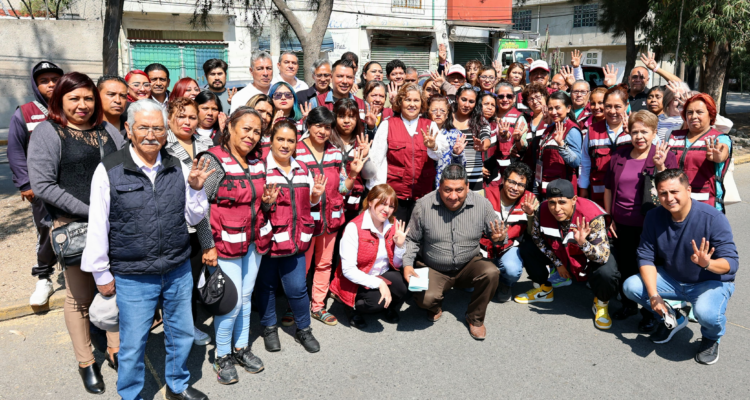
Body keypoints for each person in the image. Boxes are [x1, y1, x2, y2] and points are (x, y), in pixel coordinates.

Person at [81, 99, 211, 400]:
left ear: (167, 132)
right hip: (133, 273)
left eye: (158, 128)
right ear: (128, 129)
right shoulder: (110, 169)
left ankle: (177, 386)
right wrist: (101, 272)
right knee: (133, 342)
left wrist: (194, 188)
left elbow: (193, 217)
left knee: (180, 334)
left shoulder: (176, 165)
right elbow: (98, 224)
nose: (152, 134)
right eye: (144, 127)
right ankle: (130, 393)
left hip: (177, 268)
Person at [28, 72, 125, 394]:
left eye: (87, 98)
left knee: (112, 289)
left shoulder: (106, 130)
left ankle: (115, 347)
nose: (82, 105)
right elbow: (43, 185)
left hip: (113, 224)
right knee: (80, 298)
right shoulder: (49, 131)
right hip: (75, 226)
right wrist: (93, 211)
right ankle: (86, 362)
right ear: (60, 100)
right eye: (74, 98)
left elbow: (126, 164)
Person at [623, 169, 739, 365]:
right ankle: (671, 317)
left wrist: (708, 263)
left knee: (707, 314)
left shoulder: (713, 218)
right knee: (631, 287)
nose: (669, 198)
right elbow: (645, 257)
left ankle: (711, 337)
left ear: (688, 190)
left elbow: (732, 264)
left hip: (709, 281)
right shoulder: (653, 216)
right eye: (663, 193)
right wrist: (654, 296)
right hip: (673, 279)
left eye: (674, 191)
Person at [195, 107, 275, 384]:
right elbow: (198, 207)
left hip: (253, 243)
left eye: (257, 131)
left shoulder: (257, 160)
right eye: (246, 129)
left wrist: (267, 202)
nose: (251, 136)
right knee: (229, 304)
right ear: (229, 127)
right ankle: (222, 355)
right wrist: (207, 245)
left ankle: (241, 348)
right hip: (224, 244)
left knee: (245, 298)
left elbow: (255, 200)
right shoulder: (212, 161)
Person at [403, 164, 505, 340]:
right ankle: (434, 306)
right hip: (433, 266)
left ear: (467, 187)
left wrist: (499, 238)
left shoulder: (482, 203)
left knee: (492, 272)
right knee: (424, 299)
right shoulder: (423, 205)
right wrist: (407, 265)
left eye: (459, 190)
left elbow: (497, 233)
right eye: (447, 190)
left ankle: (475, 318)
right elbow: (411, 239)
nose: (453, 196)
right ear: (439, 187)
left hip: (469, 263)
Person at [294, 106, 369, 327]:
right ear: (308, 126)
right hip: (305, 221)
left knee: (324, 264)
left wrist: (353, 174)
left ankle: (318, 306)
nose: (323, 131)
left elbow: (344, 189)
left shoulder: (336, 152)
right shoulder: (296, 151)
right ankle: (294, 307)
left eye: (327, 127)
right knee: (302, 267)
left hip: (331, 219)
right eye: (318, 125)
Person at [255, 120, 326, 354]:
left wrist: (315, 197)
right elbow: (255, 208)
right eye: (280, 139)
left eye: (290, 141)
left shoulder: (303, 168)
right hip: (269, 241)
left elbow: (306, 206)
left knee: (297, 288)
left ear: (297, 143)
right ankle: (269, 328)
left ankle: (303, 329)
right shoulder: (261, 169)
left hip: (296, 242)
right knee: (266, 287)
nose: (285, 145)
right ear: (271, 141)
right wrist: (266, 205)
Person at [604, 111, 677, 328]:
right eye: (635, 131)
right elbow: (608, 189)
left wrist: (661, 167)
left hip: (650, 226)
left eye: (644, 131)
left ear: (654, 132)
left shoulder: (663, 155)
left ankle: (650, 314)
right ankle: (628, 305)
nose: (639, 136)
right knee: (625, 266)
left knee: (647, 268)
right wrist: (609, 217)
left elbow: (671, 190)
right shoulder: (619, 155)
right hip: (621, 224)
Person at [514, 179, 619, 331]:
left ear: (574, 199)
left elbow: (602, 256)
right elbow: (537, 238)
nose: (557, 208)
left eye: (562, 202)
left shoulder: (592, 215)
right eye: (552, 202)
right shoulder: (543, 209)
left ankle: (601, 303)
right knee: (527, 247)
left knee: (607, 272)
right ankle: (544, 289)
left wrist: (584, 244)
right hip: (562, 254)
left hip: (587, 258)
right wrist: (558, 264)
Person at [8, 60, 63, 306]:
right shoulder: (26, 112)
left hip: (72, 183)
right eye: (44, 81)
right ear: (36, 84)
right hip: (42, 186)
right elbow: (15, 150)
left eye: (55, 79)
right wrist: (25, 183)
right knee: (46, 230)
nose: (51, 84)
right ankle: (44, 277)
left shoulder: (72, 105)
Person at [162, 97, 216, 347]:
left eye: (192, 117)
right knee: (179, 285)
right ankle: (183, 328)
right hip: (174, 225)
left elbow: (208, 190)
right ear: (169, 118)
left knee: (195, 281)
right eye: (181, 116)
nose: (187, 121)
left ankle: (189, 323)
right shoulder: (163, 146)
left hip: (202, 222)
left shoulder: (206, 143)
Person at [330, 184, 409, 329]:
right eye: (383, 203)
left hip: (381, 273)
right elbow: (348, 270)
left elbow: (396, 265)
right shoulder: (353, 228)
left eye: (391, 206)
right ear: (370, 202)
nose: (387, 209)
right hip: (357, 279)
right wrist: (379, 284)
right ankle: (351, 308)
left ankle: (387, 305)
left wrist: (399, 246)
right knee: (374, 302)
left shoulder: (394, 225)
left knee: (402, 286)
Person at [369, 82, 448, 225]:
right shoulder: (388, 125)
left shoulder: (430, 125)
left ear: (422, 103)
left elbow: (440, 153)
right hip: (394, 199)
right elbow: (376, 162)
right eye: (408, 100)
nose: (412, 104)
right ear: (400, 102)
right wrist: (379, 195)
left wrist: (433, 146)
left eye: (416, 100)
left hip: (424, 198)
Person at [480, 162, 535, 302]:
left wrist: (531, 216)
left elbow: (533, 234)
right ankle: (486, 277)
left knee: (512, 270)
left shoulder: (531, 200)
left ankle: (505, 283)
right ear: (503, 180)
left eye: (521, 185)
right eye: (512, 182)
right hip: (483, 246)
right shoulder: (484, 194)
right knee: (469, 287)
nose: (515, 188)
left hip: (509, 247)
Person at [668, 93, 731, 211]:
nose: (693, 116)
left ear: (710, 115)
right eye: (690, 112)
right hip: (675, 205)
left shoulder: (720, 138)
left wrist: (718, 156)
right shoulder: (673, 136)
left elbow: (722, 153)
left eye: (699, 112)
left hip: (707, 207)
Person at [579, 85, 632, 206]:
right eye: (608, 106)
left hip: (628, 195)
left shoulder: (637, 127)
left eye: (617, 107)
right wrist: (583, 187)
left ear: (626, 106)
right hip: (599, 194)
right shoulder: (592, 130)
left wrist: (633, 134)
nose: (612, 111)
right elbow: (585, 162)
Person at [330, 99, 377, 221]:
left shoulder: (361, 143)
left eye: (351, 116)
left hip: (355, 206)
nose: (346, 121)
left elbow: (370, 175)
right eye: (341, 116)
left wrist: (365, 156)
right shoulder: (327, 142)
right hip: (331, 205)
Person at [534, 91, 583, 196]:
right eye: (550, 108)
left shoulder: (572, 130)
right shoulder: (551, 127)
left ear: (568, 108)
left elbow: (576, 161)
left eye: (557, 108)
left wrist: (561, 144)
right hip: (546, 186)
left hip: (562, 191)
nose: (553, 112)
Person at [452, 85, 491, 192]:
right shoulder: (447, 119)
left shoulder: (480, 121)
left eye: (471, 101)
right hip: (450, 176)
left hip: (474, 178)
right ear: (457, 98)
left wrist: (483, 146)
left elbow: (486, 137)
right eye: (463, 100)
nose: (466, 105)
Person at [426, 96, 466, 187]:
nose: (438, 114)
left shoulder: (455, 135)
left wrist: (456, 154)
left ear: (447, 114)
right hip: (423, 183)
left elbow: (462, 166)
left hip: (446, 185)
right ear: (428, 112)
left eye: (442, 111)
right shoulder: (421, 132)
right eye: (434, 110)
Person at [514, 83, 551, 170]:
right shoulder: (525, 120)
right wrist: (517, 140)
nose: (535, 101)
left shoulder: (552, 117)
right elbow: (522, 148)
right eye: (530, 99)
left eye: (538, 97)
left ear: (545, 96)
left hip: (548, 167)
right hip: (529, 168)